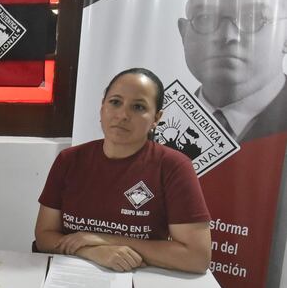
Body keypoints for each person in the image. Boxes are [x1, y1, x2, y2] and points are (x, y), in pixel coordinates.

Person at [34, 68, 212, 273]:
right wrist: (92, 251)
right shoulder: (69, 160)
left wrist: (104, 239)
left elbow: (197, 258)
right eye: (115, 102)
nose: (123, 115)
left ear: (156, 118)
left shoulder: (174, 166)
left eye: (138, 107)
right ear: (102, 107)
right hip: (68, 277)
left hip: (139, 278)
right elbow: (45, 237)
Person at [177, 0, 287, 143]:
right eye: (205, 17)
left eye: (253, 17)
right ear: (184, 32)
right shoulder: (155, 125)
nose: (227, 35)